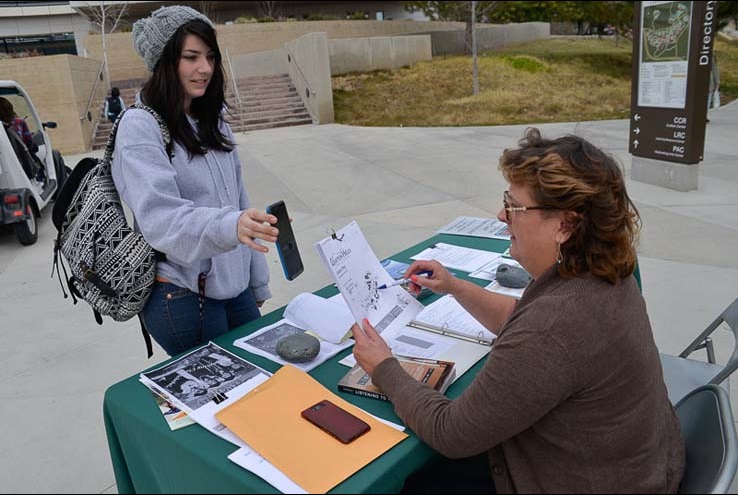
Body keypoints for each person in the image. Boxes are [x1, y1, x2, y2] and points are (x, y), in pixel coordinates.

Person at [351, 128, 685, 493]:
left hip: (592, 481)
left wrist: (384, 368)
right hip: (634, 468)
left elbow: (452, 433)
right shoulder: (606, 270)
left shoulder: (556, 325)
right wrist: (455, 287)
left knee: (415, 482)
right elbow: (523, 320)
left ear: (565, 225)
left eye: (514, 206)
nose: (500, 215)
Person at [111, 5, 279, 357]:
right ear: (165, 62)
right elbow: (162, 220)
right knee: (219, 402)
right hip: (181, 292)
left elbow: (238, 202)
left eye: (210, 56)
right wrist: (231, 225)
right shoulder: (139, 126)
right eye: (191, 57)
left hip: (234, 288)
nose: (205, 68)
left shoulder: (213, 120)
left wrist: (255, 279)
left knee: (261, 381)